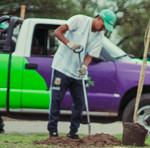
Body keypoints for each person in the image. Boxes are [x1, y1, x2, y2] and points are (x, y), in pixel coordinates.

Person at [47, 10, 116, 139]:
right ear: (99, 18)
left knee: (79, 102)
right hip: (62, 67)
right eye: (103, 26)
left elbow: (90, 55)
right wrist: (69, 43)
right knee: (56, 100)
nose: (103, 29)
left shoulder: (99, 37)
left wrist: (84, 67)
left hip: (78, 73)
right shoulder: (79, 20)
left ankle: (73, 132)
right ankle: (53, 132)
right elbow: (57, 32)